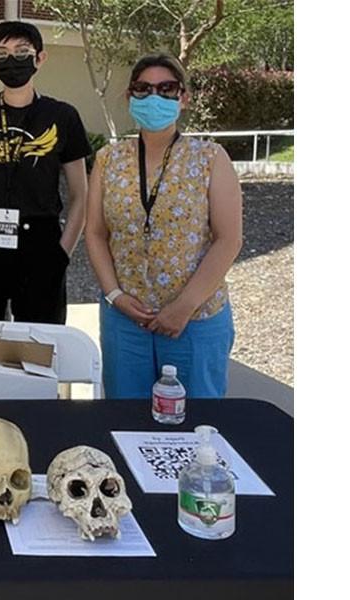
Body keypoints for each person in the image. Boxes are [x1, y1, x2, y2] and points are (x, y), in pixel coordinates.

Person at [85, 54, 243, 398]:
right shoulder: (108, 160)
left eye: (166, 88)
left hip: (195, 320)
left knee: (195, 428)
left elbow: (228, 239)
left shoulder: (210, 158)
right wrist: (115, 295)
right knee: (124, 422)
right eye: (142, 89)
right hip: (126, 320)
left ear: (183, 98)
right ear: (129, 98)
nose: (153, 97)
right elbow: (95, 233)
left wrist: (183, 307)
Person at [0, 21, 91, 325]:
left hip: (41, 241)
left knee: (37, 351)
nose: (11, 59)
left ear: (40, 58)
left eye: (21, 51)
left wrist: (62, 253)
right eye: (1, 53)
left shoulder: (63, 116)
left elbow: (81, 194)